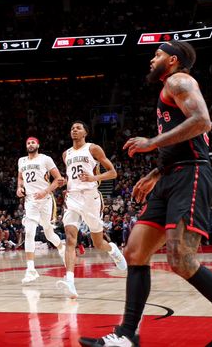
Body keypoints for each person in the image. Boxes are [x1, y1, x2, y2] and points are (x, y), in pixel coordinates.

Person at [80, 42, 212, 347]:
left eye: (157, 55)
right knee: (135, 253)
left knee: (181, 259)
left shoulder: (179, 81)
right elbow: (181, 139)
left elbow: (202, 121)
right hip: (171, 176)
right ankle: (127, 335)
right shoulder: (169, 89)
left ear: (173, 59)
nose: (152, 59)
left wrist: (152, 142)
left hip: (191, 175)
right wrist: (155, 173)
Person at [57, 121, 126, 298]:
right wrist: (66, 184)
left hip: (91, 197)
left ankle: (112, 250)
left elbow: (113, 173)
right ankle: (70, 282)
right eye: (72, 128)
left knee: (98, 243)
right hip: (72, 197)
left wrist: (93, 177)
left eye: (78, 128)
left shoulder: (93, 149)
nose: (74, 130)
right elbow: (70, 175)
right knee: (70, 239)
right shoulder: (66, 154)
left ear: (85, 133)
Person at [17, 136, 67, 284]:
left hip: (45, 200)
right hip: (30, 201)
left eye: (33, 142)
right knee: (29, 233)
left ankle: (61, 247)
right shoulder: (21, 161)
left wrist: (45, 192)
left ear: (38, 144)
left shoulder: (46, 159)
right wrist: (19, 188)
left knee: (48, 233)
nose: (30, 144)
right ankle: (31, 270)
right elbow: (20, 178)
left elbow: (59, 179)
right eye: (28, 143)